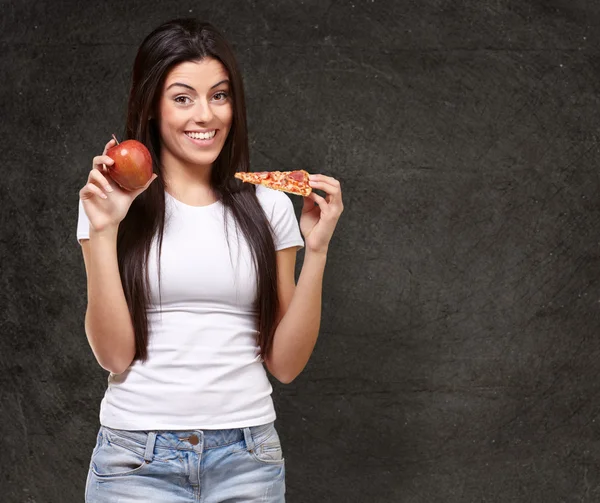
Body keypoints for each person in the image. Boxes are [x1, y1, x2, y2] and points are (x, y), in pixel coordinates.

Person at [76, 17, 344, 503]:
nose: (206, 115)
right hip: (135, 459)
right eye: (183, 98)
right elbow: (113, 356)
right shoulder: (108, 201)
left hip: (248, 458)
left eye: (219, 95)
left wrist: (318, 250)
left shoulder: (268, 205)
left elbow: (285, 365)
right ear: (152, 107)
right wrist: (103, 229)